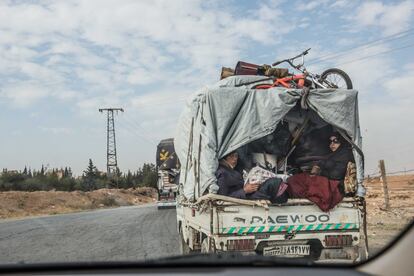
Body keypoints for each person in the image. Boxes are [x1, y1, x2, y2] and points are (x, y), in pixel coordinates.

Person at [287, 132, 354, 211]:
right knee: (295, 180)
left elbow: (335, 175)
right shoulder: (334, 155)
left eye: (336, 141)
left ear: (342, 142)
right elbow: (322, 162)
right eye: (331, 141)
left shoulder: (345, 156)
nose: (332, 144)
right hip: (327, 181)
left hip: (335, 185)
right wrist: (317, 168)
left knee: (297, 182)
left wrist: (319, 174)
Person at [216, 151, 288, 203]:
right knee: (273, 183)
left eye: (236, 156)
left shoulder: (231, 170)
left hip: (249, 194)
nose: (235, 159)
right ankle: (281, 203)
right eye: (231, 156)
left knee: (274, 182)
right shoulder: (222, 173)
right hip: (245, 199)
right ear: (224, 158)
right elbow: (222, 198)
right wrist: (244, 191)